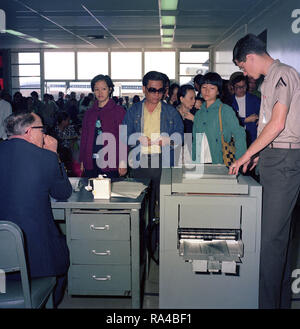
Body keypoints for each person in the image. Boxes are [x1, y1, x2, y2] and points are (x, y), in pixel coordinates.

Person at [229, 33, 300, 309]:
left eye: (242, 66)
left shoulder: (283, 74)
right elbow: (272, 125)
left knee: (270, 244)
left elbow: (278, 123)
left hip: (284, 160)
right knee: (277, 241)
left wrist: (248, 153)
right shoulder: (270, 80)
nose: (243, 72)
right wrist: (260, 154)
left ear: (250, 57)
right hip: (275, 157)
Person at [0, 111, 72, 307]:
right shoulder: (45, 158)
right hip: (36, 260)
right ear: (30, 131)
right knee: (63, 257)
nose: (44, 135)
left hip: (2, 266)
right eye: (42, 130)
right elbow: (63, 192)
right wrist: (53, 154)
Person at [120, 71, 184, 221]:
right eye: (152, 90)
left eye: (160, 90)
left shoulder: (171, 112)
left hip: (164, 161)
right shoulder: (133, 111)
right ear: (144, 89)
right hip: (140, 162)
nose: (156, 94)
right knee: (142, 207)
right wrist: (135, 139)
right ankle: (144, 241)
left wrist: (170, 140)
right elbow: (123, 136)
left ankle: (161, 239)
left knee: (165, 205)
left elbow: (180, 136)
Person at [192, 72, 247, 164]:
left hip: (219, 160)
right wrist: (193, 161)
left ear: (218, 91)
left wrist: (240, 160)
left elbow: (239, 134)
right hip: (200, 162)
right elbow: (195, 141)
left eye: (212, 88)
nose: (207, 91)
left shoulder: (225, 110)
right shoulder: (199, 114)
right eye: (204, 87)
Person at [79, 74, 126, 179]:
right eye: (96, 89)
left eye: (103, 89)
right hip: (91, 162)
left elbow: (123, 138)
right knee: (91, 192)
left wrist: (123, 161)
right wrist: (82, 160)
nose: (100, 93)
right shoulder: (89, 113)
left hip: (111, 162)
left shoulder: (119, 111)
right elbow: (84, 139)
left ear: (110, 89)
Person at [231, 74, 261, 146]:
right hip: (234, 138)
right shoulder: (228, 101)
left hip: (252, 138)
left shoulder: (255, 99)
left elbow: (265, 113)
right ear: (233, 87)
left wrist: (260, 118)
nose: (241, 89)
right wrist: (246, 120)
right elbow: (228, 122)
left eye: (243, 86)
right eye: (238, 87)